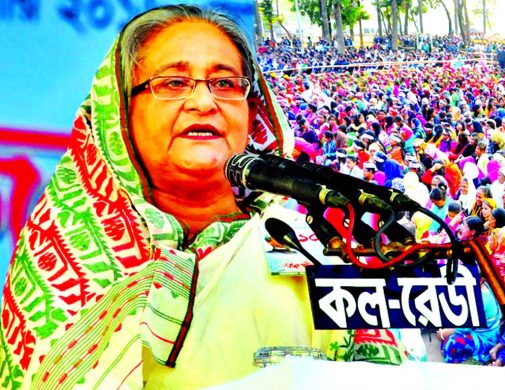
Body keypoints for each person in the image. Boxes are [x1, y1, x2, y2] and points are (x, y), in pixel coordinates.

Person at [0, 6, 406, 388]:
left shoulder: (312, 245)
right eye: (174, 83)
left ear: (252, 112)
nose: (203, 101)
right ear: (121, 112)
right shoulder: (61, 254)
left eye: (225, 83)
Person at [438, 280, 502, 364]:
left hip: (486, 338)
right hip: (483, 329)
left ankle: (454, 364)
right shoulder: (484, 287)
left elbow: (465, 327)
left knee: (452, 342)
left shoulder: (481, 300)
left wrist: (443, 334)